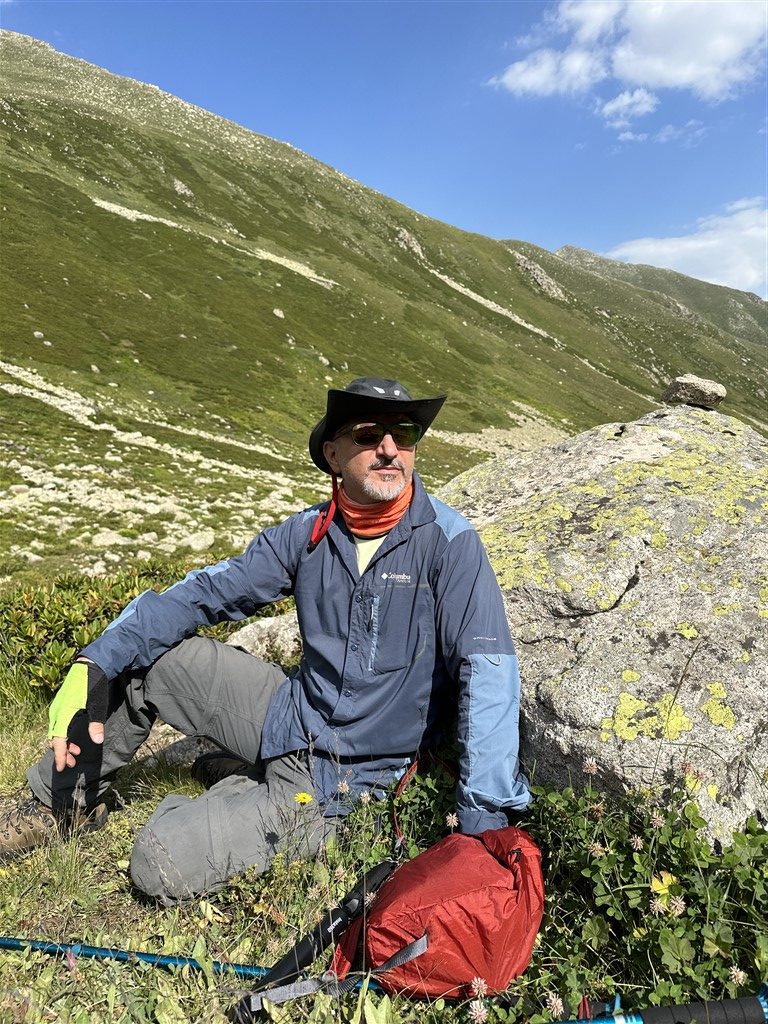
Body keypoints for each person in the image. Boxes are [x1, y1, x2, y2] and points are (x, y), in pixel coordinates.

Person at [1, 377, 530, 903]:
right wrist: (94, 663)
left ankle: (249, 789)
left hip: (352, 783)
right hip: (291, 713)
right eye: (369, 434)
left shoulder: (450, 544)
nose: (390, 448)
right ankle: (60, 803)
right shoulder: (308, 532)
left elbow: (488, 677)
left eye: (405, 433)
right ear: (333, 454)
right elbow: (203, 593)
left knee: (157, 862)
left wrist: (481, 825)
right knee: (147, 658)